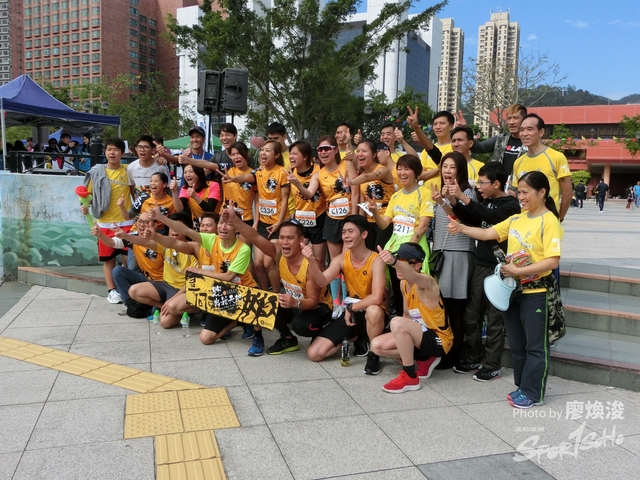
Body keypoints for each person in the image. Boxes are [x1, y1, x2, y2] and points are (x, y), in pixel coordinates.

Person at [447, 171, 563, 409]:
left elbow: (552, 261)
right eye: (519, 192)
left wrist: (518, 271)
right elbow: (487, 233)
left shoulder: (549, 221)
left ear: (542, 192)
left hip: (536, 293)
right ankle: (522, 386)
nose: (521, 197)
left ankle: (533, 393)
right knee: (518, 345)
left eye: (526, 192)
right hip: (513, 291)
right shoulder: (517, 219)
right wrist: (461, 228)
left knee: (535, 346)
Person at [225, 209, 334, 356]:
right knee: (265, 300)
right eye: (281, 237)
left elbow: (313, 302)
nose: (284, 242)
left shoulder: (310, 265)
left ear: (301, 240)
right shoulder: (279, 254)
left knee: (300, 325)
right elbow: (255, 238)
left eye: (290, 238)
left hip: (318, 307)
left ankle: (322, 331)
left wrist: (295, 302)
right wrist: (235, 221)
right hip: (294, 302)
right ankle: (287, 338)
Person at [449, 162, 521, 380]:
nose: (478, 187)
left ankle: (492, 364)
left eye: (482, 182)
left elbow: (490, 218)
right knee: (471, 315)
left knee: (494, 319)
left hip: (499, 269)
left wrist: (463, 197)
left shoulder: (511, 205)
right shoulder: (485, 202)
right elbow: (473, 218)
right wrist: (451, 201)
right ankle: (474, 357)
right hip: (480, 264)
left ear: (496, 183)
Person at [302, 215, 387, 373]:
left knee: (373, 311)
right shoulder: (341, 259)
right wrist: (311, 262)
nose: (346, 236)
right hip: (352, 312)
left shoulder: (377, 260)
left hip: (371, 310)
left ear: (364, 234)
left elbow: (376, 298)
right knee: (314, 353)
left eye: (350, 231)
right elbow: (322, 281)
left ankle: (374, 355)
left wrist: (350, 308)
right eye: (343, 232)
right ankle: (356, 336)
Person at [371, 243, 453, 393]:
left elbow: (414, 276)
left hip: (439, 339)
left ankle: (410, 376)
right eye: (398, 258)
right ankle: (424, 359)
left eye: (404, 261)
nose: (399, 266)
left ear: (418, 265)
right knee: (376, 346)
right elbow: (406, 315)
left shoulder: (427, 282)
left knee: (396, 322)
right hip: (420, 334)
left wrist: (394, 262)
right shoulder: (403, 283)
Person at [367, 154, 432, 316]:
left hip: (414, 248)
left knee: (415, 288)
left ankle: (418, 323)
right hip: (395, 248)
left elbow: (423, 226)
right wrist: (375, 212)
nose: (402, 173)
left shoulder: (424, 193)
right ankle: (401, 321)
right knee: (398, 288)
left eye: (407, 169)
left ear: (416, 172)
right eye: (399, 169)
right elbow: (384, 224)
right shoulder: (395, 196)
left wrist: (408, 251)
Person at [430, 151, 477, 367]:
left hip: (459, 252)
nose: (447, 171)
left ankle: (455, 351)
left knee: (455, 306)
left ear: (460, 170)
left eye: (452, 167)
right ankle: (446, 348)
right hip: (442, 252)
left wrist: (445, 200)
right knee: (445, 304)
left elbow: (463, 217)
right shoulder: (440, 190)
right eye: (444, 166)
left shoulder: (467, 191)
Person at [224, 140, 290, 293]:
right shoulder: (258, 172)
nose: (263, 153)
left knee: (268, 263)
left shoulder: (282, 172)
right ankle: (264, 292)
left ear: (277, 155)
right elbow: (247, 178)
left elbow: (285, 199)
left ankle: (276, 295)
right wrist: (232, 179)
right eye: (262, 150)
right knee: (259, 264)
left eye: (267, 150)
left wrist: (279, 223)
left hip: (278, 224)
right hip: (263, 225)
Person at [117, 212, 199, 327]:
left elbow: (192, 282)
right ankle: (165, 307)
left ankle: (192, 310)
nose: (174, 231)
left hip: (182, 291)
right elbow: (145, 242)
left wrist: (173, 299)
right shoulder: (166, 244)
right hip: (165, 285)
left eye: (177, 228)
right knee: (133, 291)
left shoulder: (192, 249)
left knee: (165, 323)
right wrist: (126, 236)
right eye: (171, 227)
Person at [81, 137, 135, 303]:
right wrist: (85, 206)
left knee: (128, 259)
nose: (112, 153)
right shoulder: (97, 173)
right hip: (104, 222)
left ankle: (126, 288)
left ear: (122, 153)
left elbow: (135, 191)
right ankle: (111, 291)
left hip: (126, 223)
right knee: (108, 259)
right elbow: (88, 196)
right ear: (105, 152)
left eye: (116, 150)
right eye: (109, 149)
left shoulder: (128, 170)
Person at [93, 212, 165, 314]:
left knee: (154, 312)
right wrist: (100, 234)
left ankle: (154, 305)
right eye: (139, 221)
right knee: (118, 271)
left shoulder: (161, 240)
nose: (141, 224)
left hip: (162, 282)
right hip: (145, 278)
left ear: (155, 225)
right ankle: (131, 305)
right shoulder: (132, 237)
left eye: (146, 222)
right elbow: (111, 243)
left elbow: (147, 242)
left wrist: (126, 236)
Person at [511, 114, 572, 222]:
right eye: (521, 130)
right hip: (524, 222)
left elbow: (567, 193)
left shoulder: (556, 157)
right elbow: (517, 193)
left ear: (541, 132)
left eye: (530, 129)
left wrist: (559, 218)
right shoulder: (518, 162)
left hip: (547, 221)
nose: (524, 134)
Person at [349, 139, 395, 251]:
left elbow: (368, 177)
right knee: (370, 254)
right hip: (369, 221)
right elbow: (363, 200)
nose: (360, 154)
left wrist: (351, 182)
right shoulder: (362, 174)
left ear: (374, 154)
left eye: (364, 151)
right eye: (358, 151)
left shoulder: (383, 170)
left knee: (381, 254)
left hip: (386, 220)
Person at [458, 104, 527, 176]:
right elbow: (479, 148)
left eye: (515, 118)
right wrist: (465, 128)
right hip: (498, 181)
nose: (511, 122)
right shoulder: (500, 139)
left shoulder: (530, 143)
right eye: (509, 118)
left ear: (524, 120)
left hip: (521, 181)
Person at [286, 140, 327, 263]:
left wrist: (297, 183)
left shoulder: (319, 170)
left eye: (294, 154)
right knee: (297, 258)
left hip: (318, 218)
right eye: (290, 154)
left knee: (319, 260)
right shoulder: (290, 171)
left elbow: (309, 194)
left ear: (305, 157)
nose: (291, 157)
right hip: (300, 220)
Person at [126, 135, 172, 199]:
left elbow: (168, 187)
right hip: (140, 204)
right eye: (140, 147)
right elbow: (131, 186)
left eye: (146, 147)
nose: (142, 150)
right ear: (136, 149)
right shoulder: (131, 167)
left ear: (153, 150)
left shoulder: (161, 167)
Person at [178, 164, 220, 231]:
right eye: (185, 172)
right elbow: (179, 209)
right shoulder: (185, 188)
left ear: (199, 173)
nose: (187, 175)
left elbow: (210, 209)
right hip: (197, 224)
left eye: (191, 172)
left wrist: (195, 196)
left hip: (213, 223)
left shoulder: (213, 185)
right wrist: (174, 192)